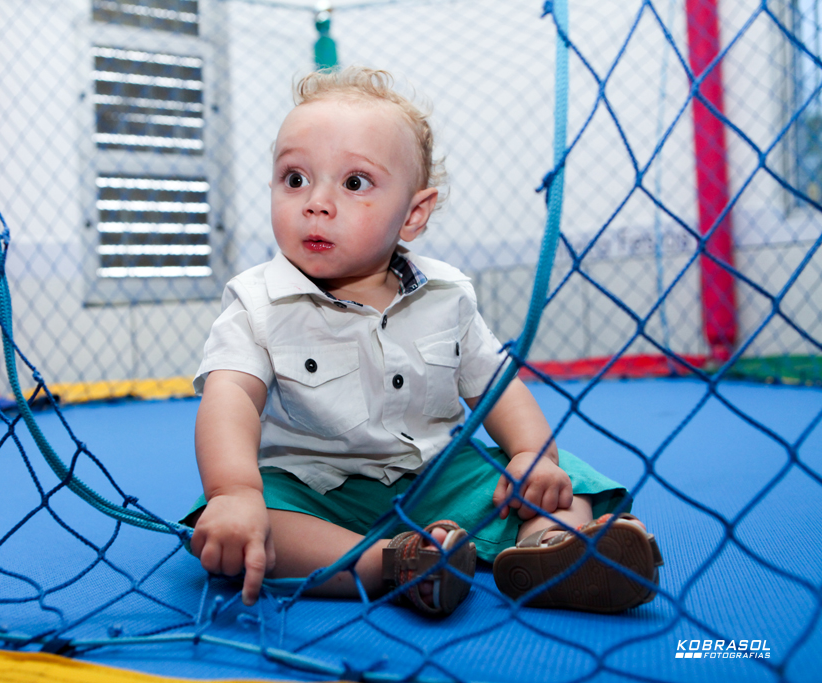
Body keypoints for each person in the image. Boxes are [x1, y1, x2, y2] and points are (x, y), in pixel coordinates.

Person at [183, 66, 663, 617]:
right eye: (295, 179)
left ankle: (552, 549)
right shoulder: (256, 300)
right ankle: (393, 564)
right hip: (312, 488)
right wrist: (234, 492)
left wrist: (535, 455)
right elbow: (231, 397)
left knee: (567, 480)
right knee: (242, 526)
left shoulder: (447, 294)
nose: (315, 202)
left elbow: (496, 387)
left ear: (413, 213)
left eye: (354, 183)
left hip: (435, 477)